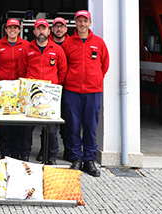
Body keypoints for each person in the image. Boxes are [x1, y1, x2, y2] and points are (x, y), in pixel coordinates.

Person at [62, 10, 110, 177]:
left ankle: (89, 160)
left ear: (90, 23)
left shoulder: (99, 43)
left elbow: (105, 65)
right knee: (73, 126)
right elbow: (63, 65)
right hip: (72, 91)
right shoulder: (68, 43)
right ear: (75, 23)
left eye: (85, 21)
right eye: (79, 21)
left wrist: (95, 79)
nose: (82, 24)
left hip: (93, 92)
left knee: (90, 127)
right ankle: (76, 158)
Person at [23, 18, 67, 165]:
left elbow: (62, 71)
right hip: (32, 94)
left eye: (44, 28)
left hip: (51, 95)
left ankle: (51, 156)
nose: (41, 31)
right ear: (34, 31)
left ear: (49, 31)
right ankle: (25, 155)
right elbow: (21, 70)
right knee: (28, 127)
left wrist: (55, 86)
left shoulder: (57, 50)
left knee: (51, 129)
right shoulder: (27, 49)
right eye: (38, 29)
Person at [0, 18, 28, 159]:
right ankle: (4, 154)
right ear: (5, 29)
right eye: (10, 27)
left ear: (19, 30)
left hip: (19, 89)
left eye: (15, 28)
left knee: (18, 123)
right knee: (4, 124)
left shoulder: (26, 45)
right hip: (2, 89)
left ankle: (16, 154)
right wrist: (1, 78)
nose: (12, 30)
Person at [48, 16, 71, 161]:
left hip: (67, 87)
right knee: (49, 123)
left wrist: (60, 83)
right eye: (56, 26)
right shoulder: (46, 43)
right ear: (52, 29)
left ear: (66, 29)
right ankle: (48, 151)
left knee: (68, 122)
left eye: (61, 26)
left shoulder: (71, 43)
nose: (59, 29)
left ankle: (68, 151)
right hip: (50, 89)